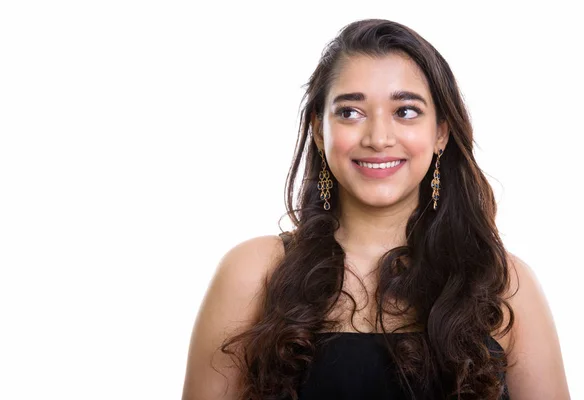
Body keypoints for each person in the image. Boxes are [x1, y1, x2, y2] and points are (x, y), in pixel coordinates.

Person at [182, 19, 570, 399]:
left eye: (405, 111)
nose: (379, 138)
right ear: (319, 130)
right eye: (350, 112)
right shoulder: (253, 272)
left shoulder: (504, 284)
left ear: (441, 133)